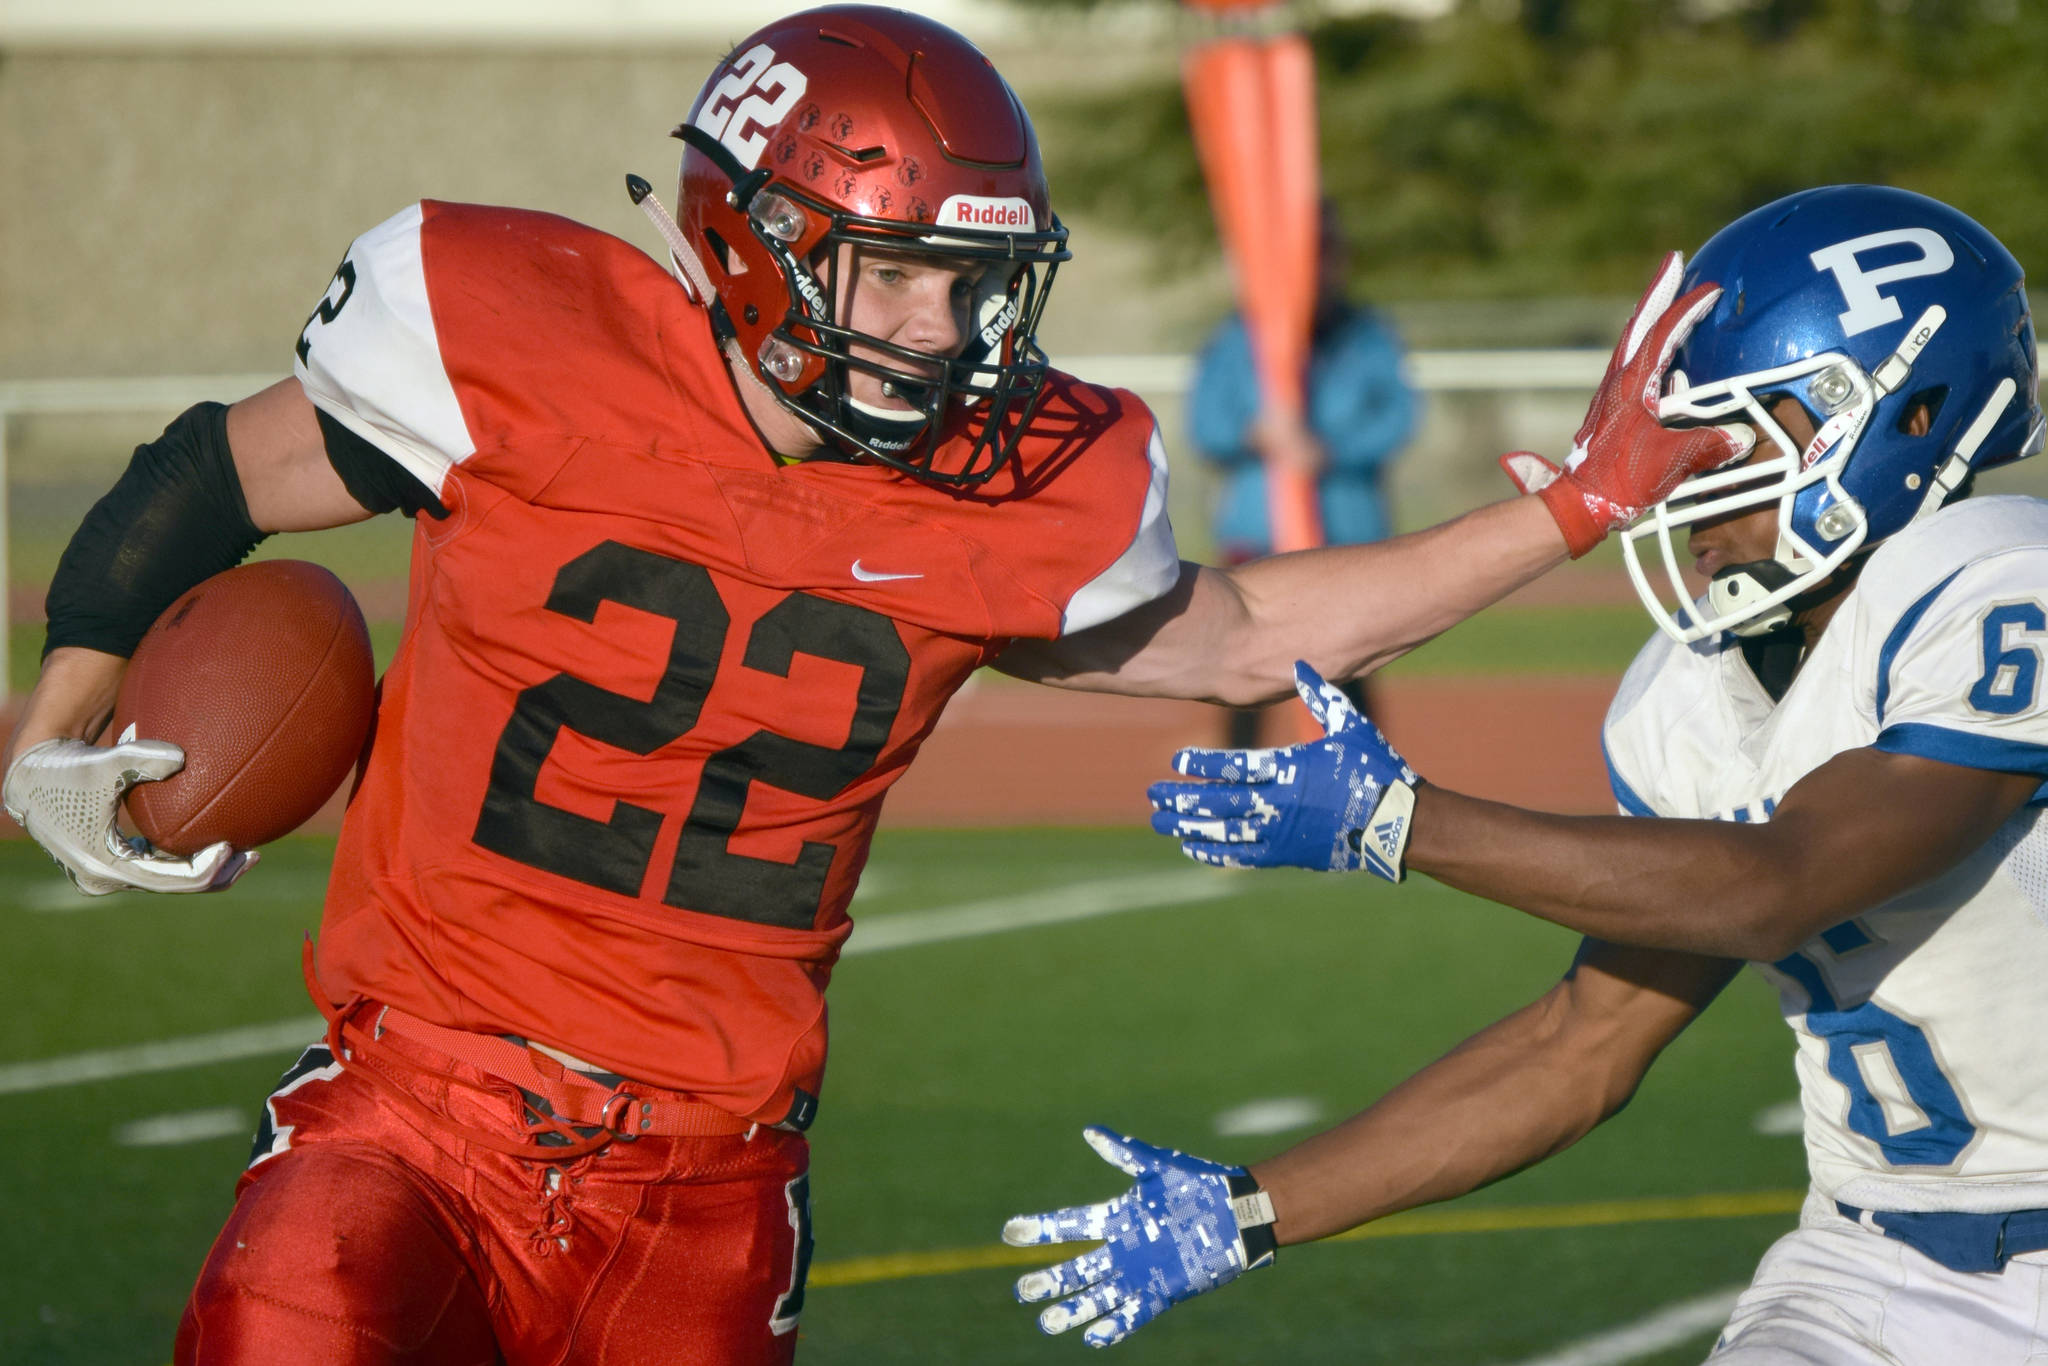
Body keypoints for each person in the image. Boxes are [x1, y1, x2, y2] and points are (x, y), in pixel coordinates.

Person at [0, 8, 1742, 1363]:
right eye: (898, 272)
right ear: (753, 240)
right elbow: (210, 474)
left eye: (968, 284)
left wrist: (1574, 508)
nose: (937, 329)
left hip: (711, 1168)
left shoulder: (997, 486)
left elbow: (1241, 631)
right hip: (418, 1104)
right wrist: (52, 726)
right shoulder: (517, 342)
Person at [1008, 184, 2048, 1364]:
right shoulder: (1691, 689)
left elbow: (1779, 883)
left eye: (1726, 434)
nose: (1677, 480)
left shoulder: (1996, 578)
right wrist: (1249, 1210)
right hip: (1868, 1260)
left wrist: (1401, 821)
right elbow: (1578, 1044)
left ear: (1904, 415)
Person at [1187, 199, 1417, 745]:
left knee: (1349, 672)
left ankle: (1369, 797)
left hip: (1347, 529)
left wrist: (1330, 449)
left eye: (1327, 254)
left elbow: (1399, 416)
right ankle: (1236, 797)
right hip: (1259, 528)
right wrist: (1254, 433)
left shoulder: (1366, 335)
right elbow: (1206, 422)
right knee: (1246, 672)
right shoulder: (1238, 336)